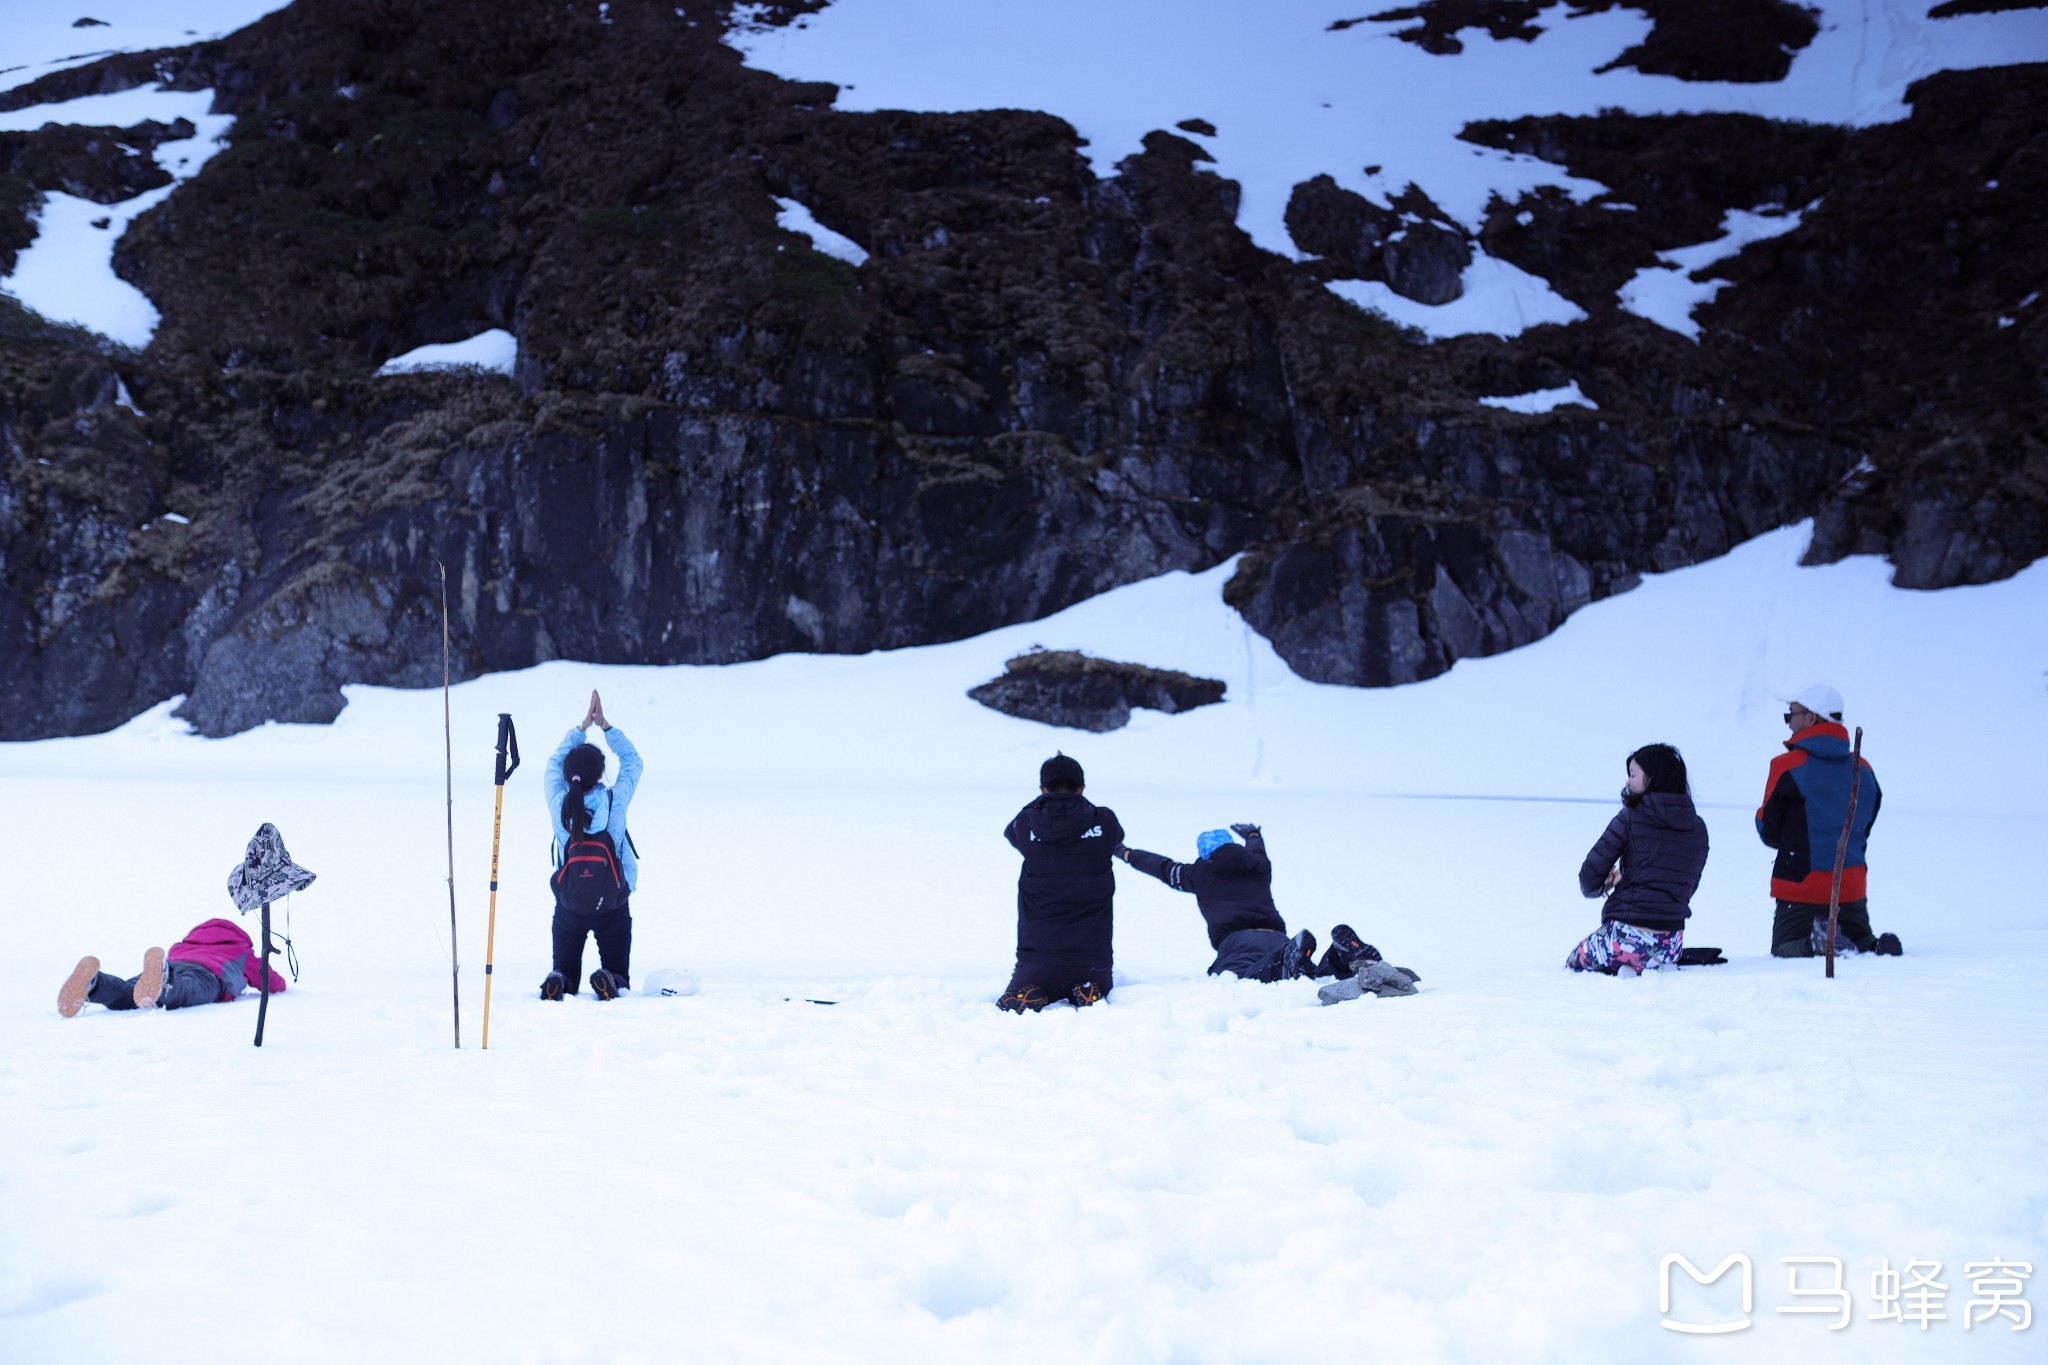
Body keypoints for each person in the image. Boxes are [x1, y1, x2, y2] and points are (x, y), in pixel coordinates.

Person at [1116, 825, 1379, 982]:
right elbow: (1256, 848)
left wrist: (1126, 853)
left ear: (1204, 853)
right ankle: (1341, 958)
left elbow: (1161, 867)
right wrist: (1252, 833)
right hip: (1277, 937)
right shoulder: (1258, 866)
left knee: (1242, 978)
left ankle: (1288, 958)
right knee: (1303, 980)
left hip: (1237, 942)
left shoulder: (1197, 873)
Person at [1758, 684, 1901, 957]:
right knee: (1860, 942)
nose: (1789, 724)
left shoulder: (1787, 766)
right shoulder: (1864, 768)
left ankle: (1818, 943)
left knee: (1784, 948)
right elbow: (1865, 823)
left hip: (1801, 888)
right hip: (1851, 885)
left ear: (1811, 718)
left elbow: (1767, 830)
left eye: (1791, 715)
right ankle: (1875, 946)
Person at [1568, 743, 1710, 975]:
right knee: (1652, 952)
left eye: (1633, 775)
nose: (1627, 782)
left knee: (1575, 961)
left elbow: (1589, 876)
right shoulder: (1698, 828)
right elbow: (1686, 887)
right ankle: (1652, 966)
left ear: (1653, 779)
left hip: (1624, 940)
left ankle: (1626, 966)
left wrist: (1605, 884)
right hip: (1670, 944)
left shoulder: (1630, 818)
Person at [998, 753, 1123, 1011]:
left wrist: (1045, 801)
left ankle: (1034, 992)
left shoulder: (1027, 823)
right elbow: (1117, 835)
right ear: (1082, 788)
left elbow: (1010, 831)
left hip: (1037, 961)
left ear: (1043, 789)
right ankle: (1086, 993)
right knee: (1095, 985)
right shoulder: (1105, 821)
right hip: (1094, 963)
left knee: (1013, 998)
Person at [542, 688, 645, 1000]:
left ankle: (560, 979)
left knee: (565, 967)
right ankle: (610, 979)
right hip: (613, 901)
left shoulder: (559, 800)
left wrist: (581, 728)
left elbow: (553, 763)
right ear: (601, 772)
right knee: (618, 971)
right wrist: (605, 727)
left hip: (569, 903)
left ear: (567, 774)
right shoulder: (613, 800)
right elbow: (632, 761)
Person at [57, 918, 287, 1017]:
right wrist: (280, 985)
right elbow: (270, 980)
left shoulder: (183, 945)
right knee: (185, 989)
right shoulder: (239, 949)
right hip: (208, 976)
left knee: (132, 993)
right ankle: (164, 985)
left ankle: (96, 983)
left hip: (174, 964)